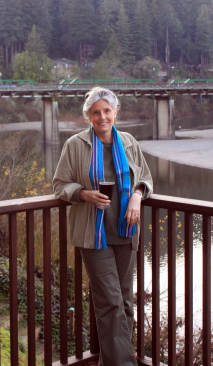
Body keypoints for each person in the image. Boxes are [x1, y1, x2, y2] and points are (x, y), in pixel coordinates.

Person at [53, 87, 153, 366]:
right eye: (96, 112)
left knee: (125, 303)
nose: (102, 117)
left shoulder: (129, 142)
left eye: (107, 111)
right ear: (88, 116)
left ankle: (110, 362)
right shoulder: (75, 145)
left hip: (125, 232)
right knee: (110, 302)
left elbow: (145, 177)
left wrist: (136, 195)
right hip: (93, 235)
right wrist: (84, 194)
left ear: (115, 113)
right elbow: (59, 185)